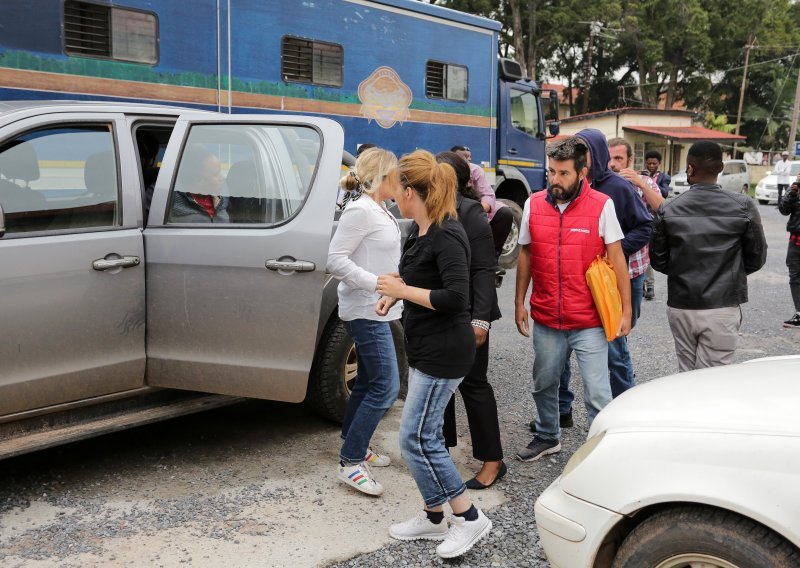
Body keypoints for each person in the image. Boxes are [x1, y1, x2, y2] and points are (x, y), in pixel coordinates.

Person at [376, 150, 491, 559]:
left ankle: (470, 517)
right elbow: (420, 278)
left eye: (394, 187)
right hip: (426, 349)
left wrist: (404, 292)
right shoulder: (420, 230)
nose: (391, 195)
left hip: (446, 353)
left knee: (417, 439)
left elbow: (457, 297)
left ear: (409, 191)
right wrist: (396, 291)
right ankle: (433, 515)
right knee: (419, 437)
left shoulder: (447, 233)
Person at [515, 136, 631, 462]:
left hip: (589, 321)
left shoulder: (601, 205)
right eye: (551, 172)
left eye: (563, 173)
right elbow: (525, 254)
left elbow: (617, 258)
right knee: (543, 384)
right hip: (547, 318)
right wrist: (518, 303)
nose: (555, 180)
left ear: (582, 172)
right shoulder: (533, 204)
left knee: (597, 394)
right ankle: (548, 435)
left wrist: (625, 310)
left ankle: (602, 454)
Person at [543, 129, 650, 423]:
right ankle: (562, 411)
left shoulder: (617, 188)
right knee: (560, 353)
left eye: (585, 151)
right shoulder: (563, 182)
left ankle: (623, 415)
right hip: (573, 286)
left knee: (615, 351)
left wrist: (610, 251)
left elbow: (644, 227)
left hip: (609, 282)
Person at [650, 141, 768, 371]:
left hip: (682, 303)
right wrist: (731, 272)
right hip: (723, 305)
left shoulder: (669, 208)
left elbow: (659, 260)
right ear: (721, 168)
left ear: (690, 169)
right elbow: (757, 257)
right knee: (714, 379)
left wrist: (682, 269)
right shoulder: (743, 205)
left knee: (686, 372)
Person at [326, 148, 403, 497]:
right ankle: (351, 461)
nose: (400, 179)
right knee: (386, 385)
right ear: (383, 176)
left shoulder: (380, 209)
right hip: (365, 308)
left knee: (370, 379)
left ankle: (354, 442)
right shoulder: (360, 211)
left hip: (381, 308)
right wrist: (375, 283)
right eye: (396, 173)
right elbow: (335, 260)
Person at [436, 151, 505, 490]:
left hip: (470, 315)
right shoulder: (432, 208)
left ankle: (493, 460)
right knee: (441, 385)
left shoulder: (471, 211)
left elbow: (483, 270)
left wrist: (481, 320)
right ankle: (441, 450)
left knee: (473, 384)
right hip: (441, 311)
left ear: (461, 183)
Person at [451, 145, 514, 264]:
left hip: (475, 210)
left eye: (470, 157)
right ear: (452, 158)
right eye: (464, 157)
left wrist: (477, 210)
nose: (468, 159)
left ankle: (492, 256)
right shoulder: (444, 172)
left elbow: (488, 195)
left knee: (505, 213)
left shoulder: (475, 170)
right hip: (450, 212)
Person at [169, 145, 229, 223]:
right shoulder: (170, 202)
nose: (222, 178)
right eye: (216, 174)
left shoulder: (223, 198)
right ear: (198, 180)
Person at [642, 150, 671, 300]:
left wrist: (650, 183)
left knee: (648, 254)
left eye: (654, 163)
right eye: (649, 163)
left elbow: (664, 193)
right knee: (641, 252)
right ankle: (643, 285)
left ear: (659, 164)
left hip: (655, 220)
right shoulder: (641, 175)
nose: (651, 166)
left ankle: (650, 285)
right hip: (641, 219)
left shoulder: (664, 177)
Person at [778, 173, 800, 328]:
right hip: (796, 240)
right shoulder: (795, 188)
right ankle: (799, 313)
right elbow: (783, 210)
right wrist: (792, 193)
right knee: (795, 275)